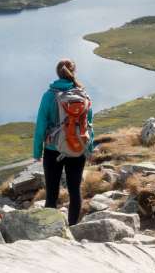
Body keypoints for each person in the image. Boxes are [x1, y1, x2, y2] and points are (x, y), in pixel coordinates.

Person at [33, 58, 94, 225]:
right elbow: (89, 125)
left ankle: (50, 231)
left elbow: (40, 126)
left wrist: (37, 151)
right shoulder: (83, 95)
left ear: (57, 73)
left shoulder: (49, 96)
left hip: (54, 149)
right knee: (75, 192)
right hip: (77, 149)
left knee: (52, 194)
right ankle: (73, 228)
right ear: (73, 72)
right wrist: (89, 149)